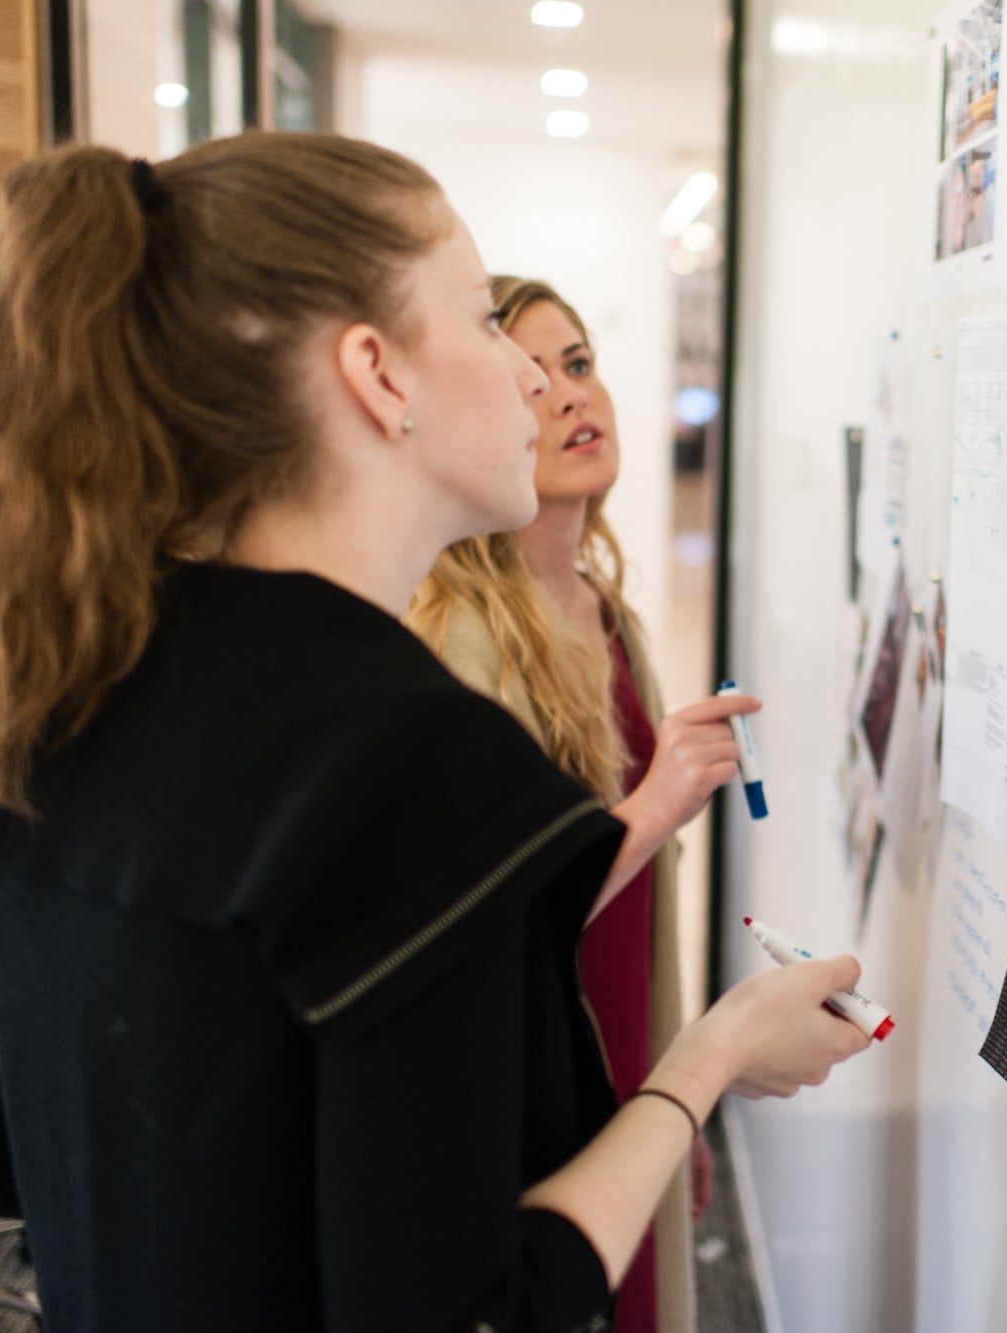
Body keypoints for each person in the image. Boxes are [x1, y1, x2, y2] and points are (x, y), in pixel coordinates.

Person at [0, 134, 871, 1332]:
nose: (535, 383)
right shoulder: (413, 761)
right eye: (485, 323)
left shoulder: (47, 685)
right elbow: (477, 1309)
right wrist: (711, 1059)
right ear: (379, 376)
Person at [405, 276, 742, 1333]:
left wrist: (673, 1099)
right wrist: (655, 804)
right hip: (536, 1084)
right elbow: (485, 923)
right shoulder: (461, 641)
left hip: (620, 1054)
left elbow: (646, 926)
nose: (566, 396)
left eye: (581, 364)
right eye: (533, 375)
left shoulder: (610, 613)